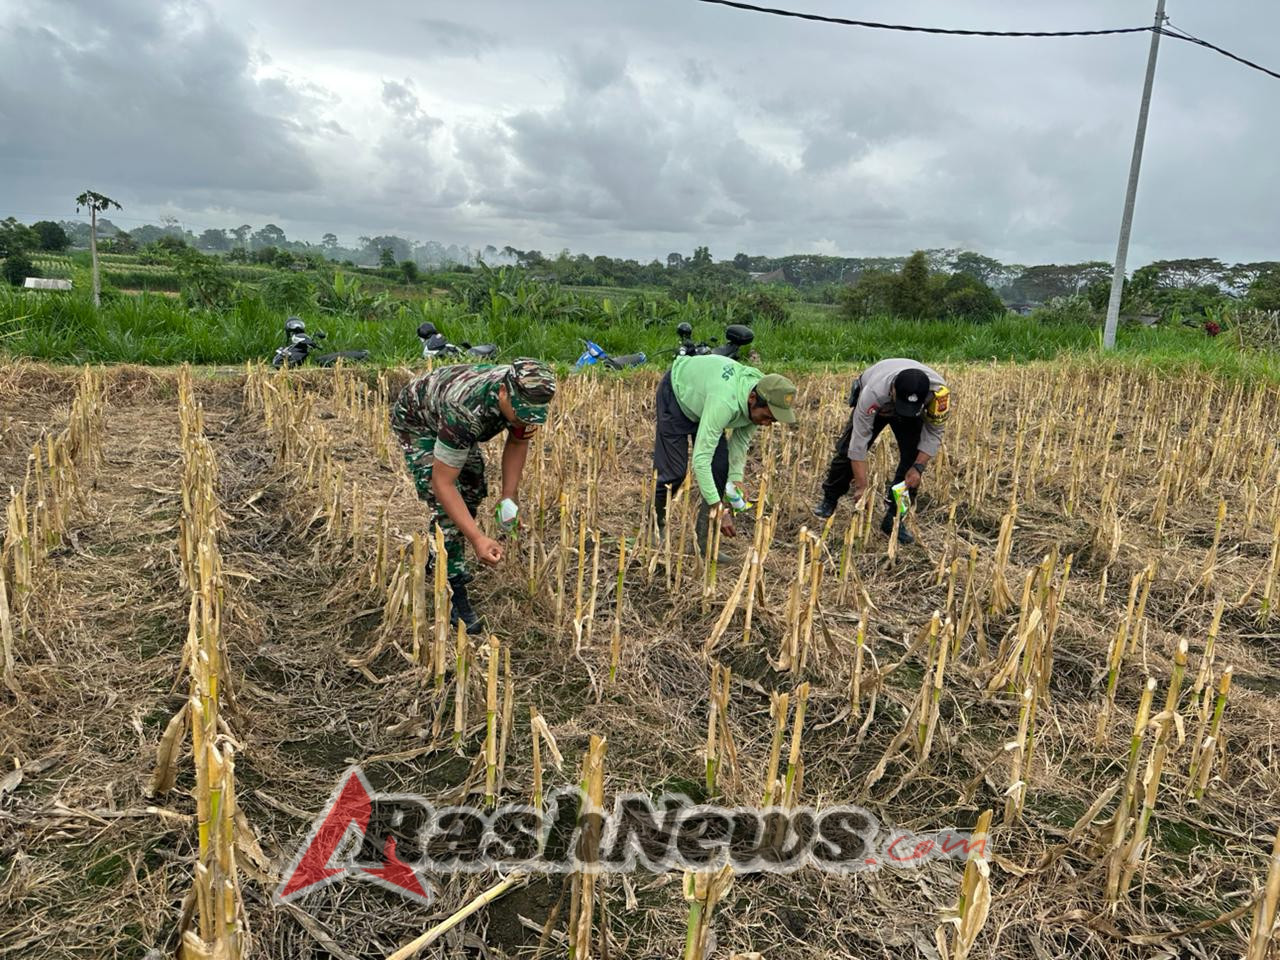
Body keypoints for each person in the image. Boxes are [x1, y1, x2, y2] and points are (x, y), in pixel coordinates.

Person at [391, 358, 556, 632]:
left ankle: (438, 549)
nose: (524, 420)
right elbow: (443, 483)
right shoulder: (465, 411)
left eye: (532, 416)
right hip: (418, 419)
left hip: (450, 412)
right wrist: (478, 538)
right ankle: (453, 590)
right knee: (447, 508)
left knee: (472, 486)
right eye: (520, 413)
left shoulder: (527, 397)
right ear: (503, 392)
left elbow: (518, 440)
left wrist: (508, 497)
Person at [653, 353, 797, 549]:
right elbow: (701, 460)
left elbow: (740, 443)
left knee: (720, 469)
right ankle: (654, 526)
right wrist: (718, 507)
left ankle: (703, 544)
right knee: (674, 474)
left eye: (773, 420)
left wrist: (735, 478)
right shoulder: (725, 402)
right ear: (752, 399)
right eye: (767, 417)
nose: (767, 424)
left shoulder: (763, 393)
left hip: (707, 400)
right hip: (678, 394)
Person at [812, 358, 951, 545]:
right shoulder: (873, 392)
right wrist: (862, 486)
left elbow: (934, 432)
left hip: (911, 412)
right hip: (880, 404)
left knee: (912, 462)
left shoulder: (938, 394)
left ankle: (894, 519)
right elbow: (858, 443)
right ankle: (829, 499)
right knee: (846, 453)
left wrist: (918, 467)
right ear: (893, 389)